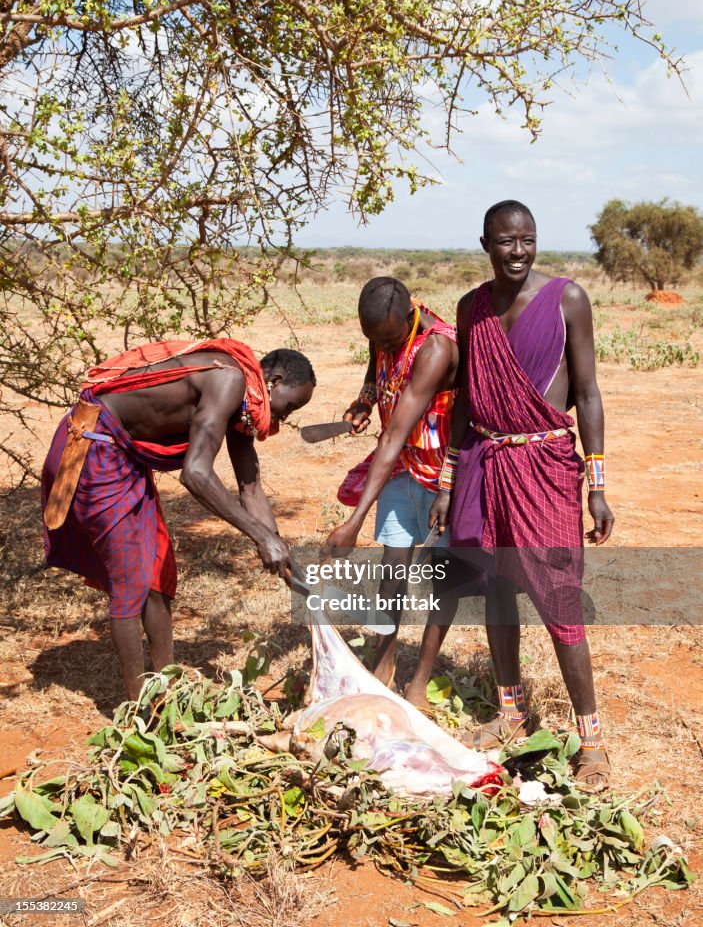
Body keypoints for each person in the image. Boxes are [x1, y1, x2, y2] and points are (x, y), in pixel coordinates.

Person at [426, 200, 614, 791]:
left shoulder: (567, 300)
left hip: (548, 466)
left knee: (559, 601)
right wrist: (448, 479)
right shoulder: (471, 308)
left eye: (527, 240)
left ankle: (591, 743)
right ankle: (511, 712)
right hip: (486, 462)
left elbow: (586, 392)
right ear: (485, 243)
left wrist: (598, 484)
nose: (518, 252)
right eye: (506, 241)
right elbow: (463, 401)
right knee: (496, 588)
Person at [42, 339, 316, 700]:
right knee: (132, 580)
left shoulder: (244, 405)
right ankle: (140, 709)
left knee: (155, 570)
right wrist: (260, 538)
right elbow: (197, 474)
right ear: (275, 381)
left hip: (122, 454)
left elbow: (250, 488)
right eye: (290, 406)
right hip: (96, 449)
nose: (284, 418)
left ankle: (166, 689)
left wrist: (286, 559)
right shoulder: (229, 381)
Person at [321, 277, 458, 704]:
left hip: (444, 477)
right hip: (402, 466)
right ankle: (383, 662)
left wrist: (354, 521)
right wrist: (365, 400)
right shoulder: (384, 330)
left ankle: (419, 682)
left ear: (405, 317)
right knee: (392, 567)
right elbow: (376, 368)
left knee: (443, 578)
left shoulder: (436, 348)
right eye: (372, 339)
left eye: (387, 338)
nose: (380, 345)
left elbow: (394, 434)